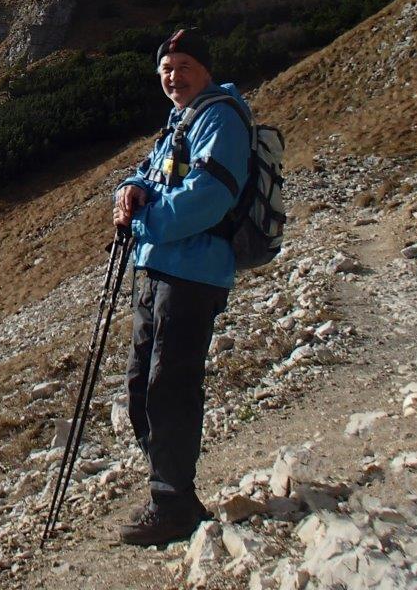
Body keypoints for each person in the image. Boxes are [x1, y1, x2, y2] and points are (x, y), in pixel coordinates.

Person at [112, 27, 251, 546]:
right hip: (159, 269)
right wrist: (129, 188)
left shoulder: (221, 117)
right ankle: (171, 488)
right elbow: (151, 175)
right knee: (140, 388)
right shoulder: (181, 122)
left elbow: (209, 195)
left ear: (206, 70)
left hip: (194, 272)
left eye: (184, 65)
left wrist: (142, 224)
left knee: (167, 385)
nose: (173, 76)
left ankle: (173, 503)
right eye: (167, 69)